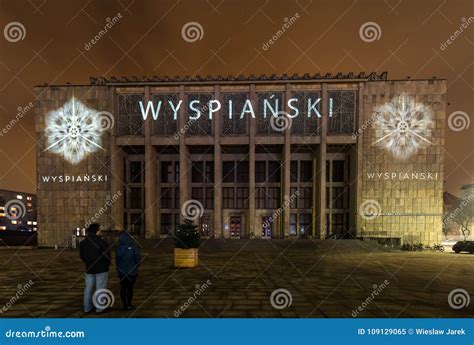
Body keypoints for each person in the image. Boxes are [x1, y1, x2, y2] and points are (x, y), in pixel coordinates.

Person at [79, 223, 111, 313]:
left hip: (89, 268)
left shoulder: (83, 243)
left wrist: (88, 263)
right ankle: (99, 308)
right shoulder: (102, 242)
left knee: (88, 289)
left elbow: (82, 256)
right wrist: (106, 265)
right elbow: (107, 257)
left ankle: (87, 308)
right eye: (99, 229)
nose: (101, 231)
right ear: (96, 231)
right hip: (101, 269)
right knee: (100, 288)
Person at [115, 231, 141, 311]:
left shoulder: (119, 248)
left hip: (122, 272)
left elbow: (117, 260)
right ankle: (129, 304)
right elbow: (138, 259)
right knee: (130, 288)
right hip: (132, 272)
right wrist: (136, 266)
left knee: (123, 287)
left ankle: (124, 304)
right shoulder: (133, 247)